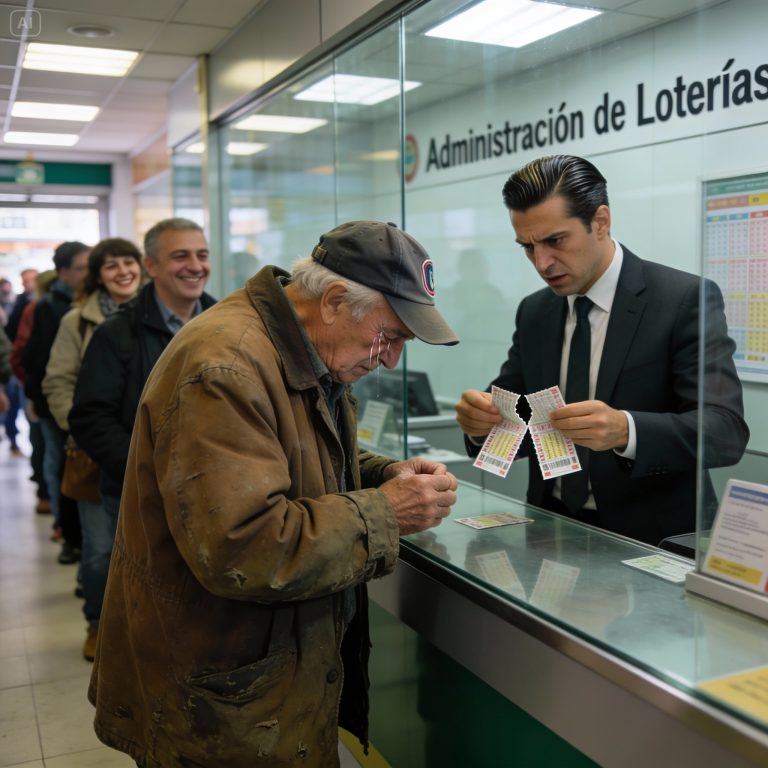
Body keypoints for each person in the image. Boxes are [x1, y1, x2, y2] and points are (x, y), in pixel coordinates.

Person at [88, 220, 459, 767]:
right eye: (390, 336)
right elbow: (244, 545)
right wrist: (386, 511)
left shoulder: (300, 346)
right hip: (218, 700)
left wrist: (382, 474)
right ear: (333, 299)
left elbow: (292, 451)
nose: (390, 360)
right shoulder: (227, 365)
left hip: (257, 683)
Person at [455, 155, 748, 546]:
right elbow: (519, 417)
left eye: (555, 241)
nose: (542, 263)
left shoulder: (682, 300)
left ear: (601, 222)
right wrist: (481, 424)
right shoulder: (535, 311)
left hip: (651, 542)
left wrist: (625, 430)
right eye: (528, 247)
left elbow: (725, 430)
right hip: (550, 531)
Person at [69, 218, 215, 658]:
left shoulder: (225, 323)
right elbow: (90, 416)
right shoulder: (118, 333)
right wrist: (144, 471)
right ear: (151, 265)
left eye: (202, 254)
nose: (195, 266)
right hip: (139, 493)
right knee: (137, 590)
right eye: (180, 256)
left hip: (210, 490)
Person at [42, 238, 143, 661]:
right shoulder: (76, 322)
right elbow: (57, 382)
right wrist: (81, 428)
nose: (122, 271)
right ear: (97, 275)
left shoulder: (156, 316)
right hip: (96, 454)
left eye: (129, 262)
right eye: (111, 265)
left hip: (148, 453)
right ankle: (98, 623)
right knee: (100, 551)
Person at [22, 242, 90, 557]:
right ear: (63, 272)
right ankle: (65, 529)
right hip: (57, 406)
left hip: (89, 410)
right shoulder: (50, 306)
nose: (88, 273)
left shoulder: (95, 302)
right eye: (81, 267)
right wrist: (37, 399)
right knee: (60, 464)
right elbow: (35, 357)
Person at [10, 270, 57, 513]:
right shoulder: (35, 308)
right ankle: (44, 495)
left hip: (38, 389)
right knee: (43, 445)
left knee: (45, 447)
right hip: (38, 390)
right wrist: (28, 387)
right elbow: (20, 354)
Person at [3, 268, 38, 456]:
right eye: (26, 281)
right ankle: (13, 440)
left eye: (32, 280)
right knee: (16, 408)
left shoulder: (37, 304)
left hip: (24, 370)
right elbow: (14, 340)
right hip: (17, 370)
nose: (29, 284)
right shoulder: (21, 304)